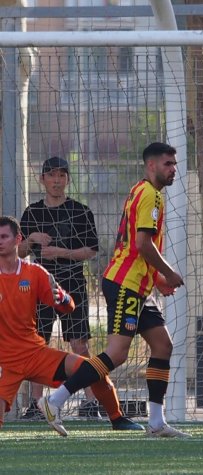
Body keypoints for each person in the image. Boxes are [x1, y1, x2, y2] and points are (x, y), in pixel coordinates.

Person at [39, 142, 189, 438]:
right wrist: (168, 272)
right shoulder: (151, 196)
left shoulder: (142, 190)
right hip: (125, 285)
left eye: (174, 164)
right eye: (168, 164)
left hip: (136, 285)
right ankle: (54, 400)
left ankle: (156, 421)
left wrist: (155, 278)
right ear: (151, 166)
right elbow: (143, 244)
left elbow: (135, 243)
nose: (173, 170)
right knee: (117, 353)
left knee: (162, 346)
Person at [0, 215, 142, 434]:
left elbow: (69, 306)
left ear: (18, 238)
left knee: (92, 369)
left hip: (34, 354)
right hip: (5, 362)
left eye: (3, 236)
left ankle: (117, 418)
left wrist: (62, 299)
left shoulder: (35, 272)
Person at [17, 157, 101, 420]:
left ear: (67, 179)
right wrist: (31, 239)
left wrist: (60, 252)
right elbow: (17, 252)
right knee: (37, 343)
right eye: (51, 175)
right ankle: (36, 404)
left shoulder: (80, 211)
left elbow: (91, 250)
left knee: (79, 343)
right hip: (40, 284)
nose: (56, 180)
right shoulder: (32, 213)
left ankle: (91, 402)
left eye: (62, 175)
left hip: (73, 282)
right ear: (42, 179)